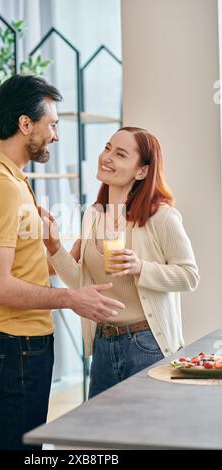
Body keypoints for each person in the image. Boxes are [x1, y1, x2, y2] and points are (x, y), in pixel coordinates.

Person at [0, 75, 124, 450]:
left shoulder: (14, 180)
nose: (55, 135)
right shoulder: (0, 187)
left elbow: (27, 267)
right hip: (14, 345)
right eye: (51, 124)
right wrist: (72, 299)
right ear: (25, 124)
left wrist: (76, 245)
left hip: (22, 345)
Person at [43, 126, 200, 398]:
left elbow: (189, 276)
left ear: (141, 171)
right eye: (107, 148)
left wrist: (142, 268)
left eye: (120, 153)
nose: (107, 157)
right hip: (104, 345)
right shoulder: (92, 215)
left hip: (147, 345)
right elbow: (81, 282)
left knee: (146, 436)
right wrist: (54, 247)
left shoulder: (161, 217)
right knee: (101, 436)